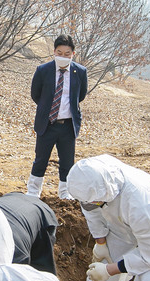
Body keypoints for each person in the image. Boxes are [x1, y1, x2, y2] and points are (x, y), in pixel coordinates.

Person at [27, 34, 88, 200]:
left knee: (67, 162)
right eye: (59, 52)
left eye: (67, 53)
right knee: (40, 159)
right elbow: (35, 94)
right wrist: (49, 109)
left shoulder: (80, 72)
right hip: (47, 124)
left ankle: (65, 192)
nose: (63, 56)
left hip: (68, 125)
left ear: (72, 54)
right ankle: (33, 192)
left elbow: (80, 96)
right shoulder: (43, 70)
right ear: (54, 52)